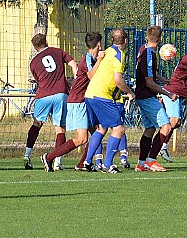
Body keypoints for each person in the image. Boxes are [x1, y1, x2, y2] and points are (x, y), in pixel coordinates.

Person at [40, 32, 103, 172]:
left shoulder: (92, 60)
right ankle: (49, 157)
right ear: (99, 44)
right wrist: (100, 60)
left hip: (86, 101)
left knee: (98, 132)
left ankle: (83, 164)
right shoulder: (87, 59)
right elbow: (91, 76)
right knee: (82, 139)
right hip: (77, 101)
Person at [82, 28, 135, 173]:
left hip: (90, 94)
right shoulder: (119, 55)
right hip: (102, 96)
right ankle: (107, 164)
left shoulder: (107, 52)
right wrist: (129, 92)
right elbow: (118, 80)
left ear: (112, 40)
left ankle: (87, 162)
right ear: (126, 41)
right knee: (119, 128)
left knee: (101, 128)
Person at [23, 33, 78, 170]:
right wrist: (76, 80)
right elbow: (73, 64)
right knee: (60, 129)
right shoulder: (58, 51)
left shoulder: (33, 63)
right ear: (46, 41)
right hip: (60, 93)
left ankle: (27, 155)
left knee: (37, 123)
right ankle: (57, 161)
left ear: (35, 47)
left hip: (43, 95)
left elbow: (38, 80)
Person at [134, 26, 178, 172]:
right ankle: (151, 161)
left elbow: (147, 74)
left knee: (150, 129)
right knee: (166, 126)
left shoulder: (143, 49)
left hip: (142, 95)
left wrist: (160, 78)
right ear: (160, 40)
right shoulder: (148, 54)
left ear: (147, 37)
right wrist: (168, 93)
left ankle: (141, 164)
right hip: (146, 96)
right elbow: (149, 82)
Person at [159, 54, 187, 162]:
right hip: (172, 92)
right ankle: (158, 147)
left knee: (177, 123)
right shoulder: (186, 59)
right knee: (174, 121)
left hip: (180, 93)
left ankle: (162, 146)